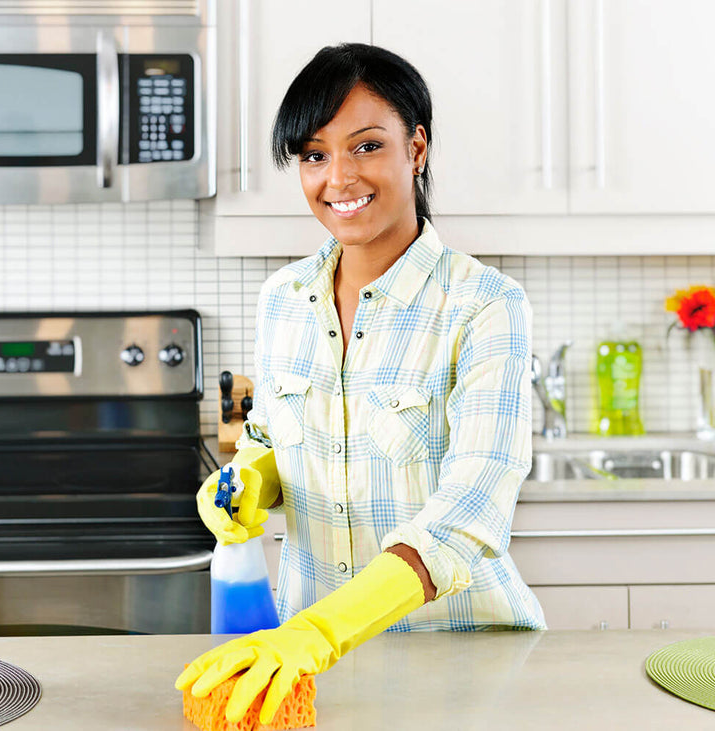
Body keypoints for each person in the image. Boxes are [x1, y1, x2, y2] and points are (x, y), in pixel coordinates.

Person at [176, 43, 545, 725]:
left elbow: (469, 510)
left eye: (366, 145)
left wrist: (323, 629)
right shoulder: (281, 298)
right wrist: (251, 482)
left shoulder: (485, 304)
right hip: (307, 670)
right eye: (313, 155)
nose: (338, 177)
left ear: (418, 148)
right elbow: (267, 437)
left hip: (462, 661)